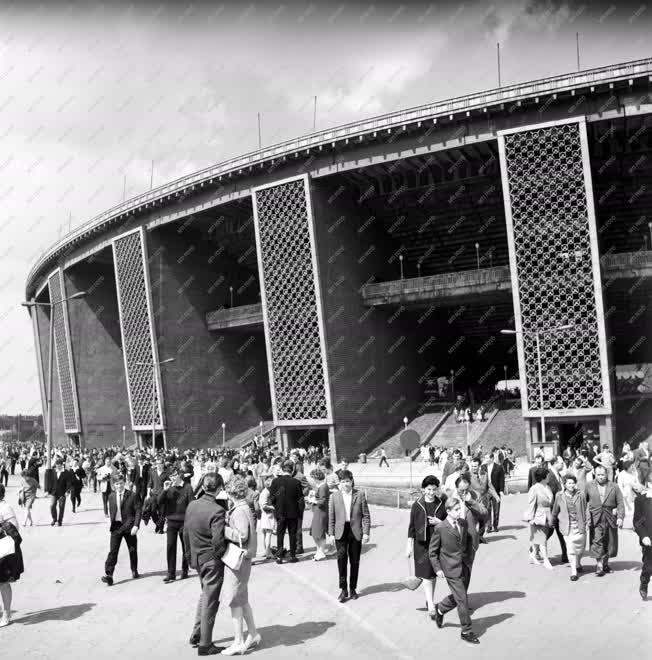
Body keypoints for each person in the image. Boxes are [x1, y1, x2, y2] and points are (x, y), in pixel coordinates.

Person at [183, 473, 227, 656]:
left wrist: (188, 556)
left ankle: (197, 633)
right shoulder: (217, 511)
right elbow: (218, 542)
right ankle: (205, 644)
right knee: (210, 600)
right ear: (218, 489)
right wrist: (222, 556)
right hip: (211, 560)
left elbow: (185, 532)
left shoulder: (192, 504)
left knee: (204, 596)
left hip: (197, 558)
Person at [429, 497, 480, 645]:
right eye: (456, 510)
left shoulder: (463, 523)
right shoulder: (441, 528)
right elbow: (432, 552)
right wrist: (438, 569)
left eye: (460, 509)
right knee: (463, 599)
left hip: (464, 565)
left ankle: (440, 609)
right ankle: (466, 631)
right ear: (448, 511)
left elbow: (468, 540)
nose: (460, 512)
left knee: (459, 596)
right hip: (450, 569)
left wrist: (469, 557)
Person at [221, 476, 261, 655]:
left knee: (234, 600)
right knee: (242, 598)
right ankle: (252, 634)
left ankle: (238, 640)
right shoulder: (244, 506)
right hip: (244, 559)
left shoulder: (238, 510)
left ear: (231, 492)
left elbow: (242, 535)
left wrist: (223, 529)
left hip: (238, 559)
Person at [406, 475, 447, 619]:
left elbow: (449, 522)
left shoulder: (442, 503)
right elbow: (411, 526)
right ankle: (430, 604)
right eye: (428, 489)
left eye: (434, 489)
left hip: (437, 543)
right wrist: (409, 545)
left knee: (434, 573)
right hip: (421, 545)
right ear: (423, 489)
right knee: (426, 575)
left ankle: (430, 599)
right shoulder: (417, 504)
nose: (431, 492)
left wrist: (439, 522)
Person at [327, 470, 370, 603]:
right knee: (341, 560)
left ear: (352, 481)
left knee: (355, 561)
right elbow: (331, 517)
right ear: (339, 483)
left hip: (355, 531)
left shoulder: (360, 494)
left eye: (348, 481)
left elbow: (366, 515)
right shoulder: (334, 497)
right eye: (343, 481)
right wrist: (331, 533)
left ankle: (353, 588)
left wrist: (366, 532)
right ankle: (343, 589)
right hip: (340, 531)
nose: (346, 484)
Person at [101, 474, 142, 586]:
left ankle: (134, 569)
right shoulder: (111, 496)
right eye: (117, 484)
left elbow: (138, 510)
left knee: (132, 550)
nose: (119, 486)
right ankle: (109, 575)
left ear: (124, 483)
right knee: (113, 551)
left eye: (121, 483)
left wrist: (136, 525)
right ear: (113, 485)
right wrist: (110, 521)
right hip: (116, 527)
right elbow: (112, 511)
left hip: (129, 526)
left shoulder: (133, 495)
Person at [586, 465, 625, 576]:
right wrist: (585, 516)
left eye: (602, 475)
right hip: (596, 518)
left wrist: (620, 517)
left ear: (607, 474)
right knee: (597, 541)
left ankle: (605, 563)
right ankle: (599, 566)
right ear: (595, 474)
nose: (600, 477)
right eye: (598, 475)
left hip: (610, 517)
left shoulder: (614, 486)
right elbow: (583, 501)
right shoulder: (589, 485)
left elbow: (620, 503)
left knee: (609, 542)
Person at [158, 467, 193, 583]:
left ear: (179, 474)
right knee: (170, 546)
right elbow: (158, 502)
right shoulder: (169, 488)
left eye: (174, 475)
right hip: (171, 522)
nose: (172, 478)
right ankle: (171, 573)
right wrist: (164, 490)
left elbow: (192, 505)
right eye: (171, 476)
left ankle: (184, 569)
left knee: (185, 546)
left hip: (184, 521)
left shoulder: (188, 487)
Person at [551, 474, 589, 581]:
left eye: (573, 483)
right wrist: (552, 521)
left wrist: (588, 523)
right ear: (564, 484)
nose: (571, 485)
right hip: (567, 526)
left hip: (580, 525)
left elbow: (586, 508)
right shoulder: (559, 495)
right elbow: (555, 510)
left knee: (581, 548)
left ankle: (578, 563)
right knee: (570, 548)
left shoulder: (580, 494)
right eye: (569, 483)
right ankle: (574, 571)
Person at [269, 461, 304, 564]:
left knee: (280, 534)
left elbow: (272, 498)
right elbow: (300, 500)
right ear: (292, 470)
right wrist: (299, 512)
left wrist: (276, 507)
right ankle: (293, 556)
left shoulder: (275, 481)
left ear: (282, 470)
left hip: (280, 512)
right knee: (292, 534)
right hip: (293, 513)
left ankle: (279, 557)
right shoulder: (296, 482)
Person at [0, 484, 22, 628]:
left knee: (3, 582)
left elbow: (14, 528)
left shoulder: (5, 508)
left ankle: (7, 613)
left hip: (2, 550)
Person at [525, 466, 554, 570]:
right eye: (547, 475)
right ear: (543, 477)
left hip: (548, 515)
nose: (549, 477)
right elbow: (531, 504)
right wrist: (530, 518)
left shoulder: (548, 487)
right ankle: (546, 560)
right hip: (538, 517)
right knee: (542, 540)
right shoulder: (534, 488)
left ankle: (533, 554)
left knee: (540, 538)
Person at [633, 467, 652, 601]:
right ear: (649, 484)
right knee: (649, 567)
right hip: (649, 539)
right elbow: (638, 521)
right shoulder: (641, 500)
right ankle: (644, 583)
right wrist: (644, 536)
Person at [546, 456, 569, 564]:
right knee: (549, 531)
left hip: (559, 509)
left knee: (562, 532)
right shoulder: (550, 475)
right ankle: (535, 547)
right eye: (560, 463)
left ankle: (565, 555)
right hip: (553, 509)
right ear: (554, 463)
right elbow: (552, 494)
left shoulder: (558, 474)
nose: (562, 464)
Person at [309, 468, 330, 561]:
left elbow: (322, 501)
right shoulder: (321, 486)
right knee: (316, 532)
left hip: (321, 512)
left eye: (313, 477)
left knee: (319, 533)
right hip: (319, 511)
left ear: (316, 477)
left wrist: (312, 500)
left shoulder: (323, 487)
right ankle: (319, 551)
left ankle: (321, 552)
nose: (312, 480)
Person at [46, 459, 73, 527]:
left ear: (62, 465)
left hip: (62, 492)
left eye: (59, 465)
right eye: (57, 465)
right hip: (54, 492)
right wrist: (47, 491)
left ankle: (60, 520)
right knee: (52, 506)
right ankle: (54, 519)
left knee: (61, 507)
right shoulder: (52, 472)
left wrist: (67, 491)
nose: (58, 466)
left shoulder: (66, 472)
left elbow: (69, 483)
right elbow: (49, 481)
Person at [486, 449, 505, 532]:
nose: (485, 460)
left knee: (496, 509)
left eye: (487, 458)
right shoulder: (483, 467)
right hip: (486, 491)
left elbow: (502, 479)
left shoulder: (498, 467)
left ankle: (495, 525)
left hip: (496, 490)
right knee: (487, 509)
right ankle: (489, 526)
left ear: (491, 458)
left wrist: (501, 490)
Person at [258, 474, 276, 560]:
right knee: (268, 533)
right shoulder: (266, 492)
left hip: (264, 515)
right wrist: (274, 507)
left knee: (264, 533)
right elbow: (264, 505)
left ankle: (265, 551)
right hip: (268, 515)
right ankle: (268, 552)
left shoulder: (264, 491)